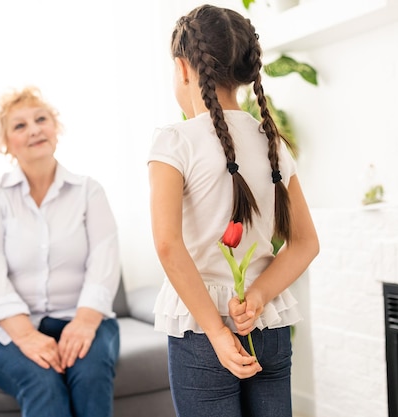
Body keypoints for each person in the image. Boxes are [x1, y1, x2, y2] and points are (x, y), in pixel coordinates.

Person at [147, 5, 320, 417]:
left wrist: (217, 333)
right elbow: (305, 244)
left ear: (183, 68)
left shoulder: (174, 141)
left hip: (199, 329)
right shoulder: (272, 142)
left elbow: (169, 245)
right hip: (267, 323)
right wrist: (258, 295)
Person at [0, 86, 121, 417]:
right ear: (5, 144)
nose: (34, 128)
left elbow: (104, 264)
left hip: (84, 317)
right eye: (19, 125)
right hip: (5, 329)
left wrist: (84, 322)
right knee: (44, 381)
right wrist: (26, 336)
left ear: (56, 128)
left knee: (90, 374)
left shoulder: (89, 191)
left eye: (41, 119)